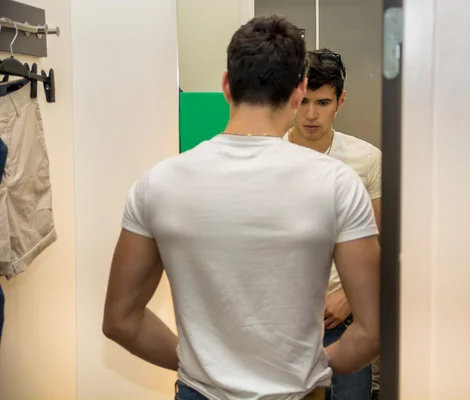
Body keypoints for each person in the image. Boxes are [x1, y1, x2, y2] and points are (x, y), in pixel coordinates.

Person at [102, 16, 380, 400]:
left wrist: (199, 367)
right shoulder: (338, 184)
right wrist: (311, 368)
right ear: (299, 91)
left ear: (226, 86)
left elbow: (121, 320)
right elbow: (374, 330)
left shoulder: (160, 183)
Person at [284, 49, 382, 400]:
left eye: (323, 102)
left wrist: (350, 298)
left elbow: (379, 241)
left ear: (340, 101)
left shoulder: (366, 159)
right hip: (283, 320)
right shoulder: (269, 156)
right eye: (304, 101)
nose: (311, 115)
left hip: (342, 318)